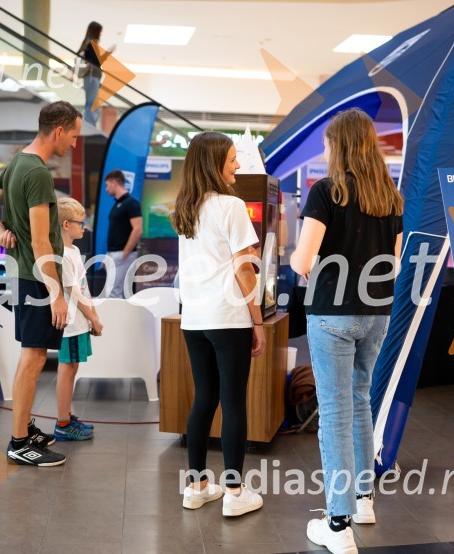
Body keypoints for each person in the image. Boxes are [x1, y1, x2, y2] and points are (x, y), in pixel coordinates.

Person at [291, 108, 403, 554]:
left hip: (332, 313)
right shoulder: (390, 196)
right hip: (377, 313)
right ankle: (363, 500)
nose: (323, 150)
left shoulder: (325, 192)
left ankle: (337, 526)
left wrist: (323, 273)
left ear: (338, 146)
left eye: (326, 143)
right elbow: (391, 263)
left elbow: (301, 262)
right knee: (359, 403)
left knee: (335, 413)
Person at [0, 100, 81, 467]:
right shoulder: (36, 173)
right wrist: (57, 295)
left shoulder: (19, 161)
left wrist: (1, 231)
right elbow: (39, 241)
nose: (75, 144)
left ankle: (25, 429)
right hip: (36, 278)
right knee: (33, 359)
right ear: (59, 130)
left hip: (23, 274)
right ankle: (20, 441)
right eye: (75, 136)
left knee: (30, 357)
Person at [172, 132, 266, 517]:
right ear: (214, 164)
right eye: (231, 160)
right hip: (229, 317)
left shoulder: (185, 208)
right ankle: (234, 491)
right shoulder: (231, 206)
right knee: (233, 402)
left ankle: (195, 487)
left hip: (194, 318)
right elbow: (245, 268)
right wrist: (257, 319)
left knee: (204, 398)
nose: (238, 166)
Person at [54, 197, 102, 441]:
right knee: (67, 368)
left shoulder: (73, 251)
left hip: (81, 321)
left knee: (72, 368)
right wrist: (93, 317)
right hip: (71, 323)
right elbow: (72, 291)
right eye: (80, 223)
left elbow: (83, 288)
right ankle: (62, 422)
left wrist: (93, 314)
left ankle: (67, 415)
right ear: (65, 224)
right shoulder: (62, 254)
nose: (84, 227)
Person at [104, 169, 142, 298]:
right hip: (113, 253)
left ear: (114, 183)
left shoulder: (131, 204)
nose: (106, 189)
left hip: (123, 254)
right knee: (111, 292)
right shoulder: (118, 204)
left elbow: (137, 229)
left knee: (114, 292)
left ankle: (115, 318)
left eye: (107, 185)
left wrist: (125, 253)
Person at [77, 21, 115, 127]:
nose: (100, 34)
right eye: (99, 32)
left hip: (92, 77)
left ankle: (90, 124)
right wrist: (107, 53)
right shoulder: (91, 44)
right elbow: (96, 62)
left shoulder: (87, 43)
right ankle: (90, 125)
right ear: (95, 31)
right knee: (92, 103)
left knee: (92, 102)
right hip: (91, 77)